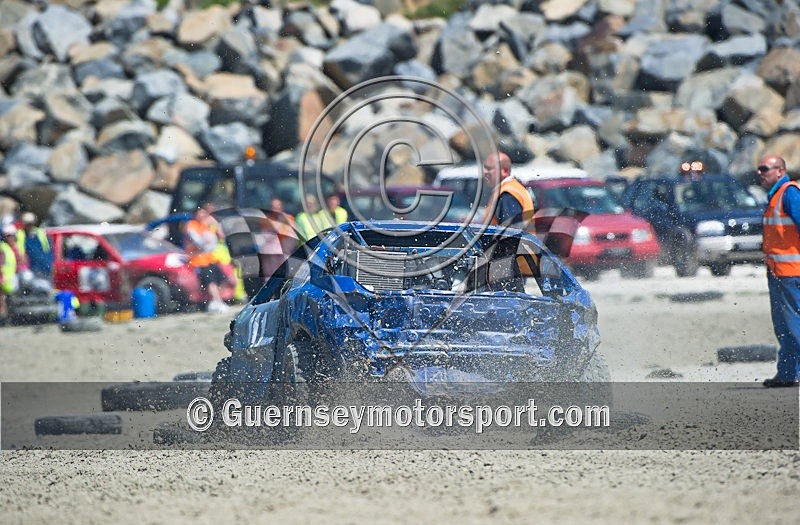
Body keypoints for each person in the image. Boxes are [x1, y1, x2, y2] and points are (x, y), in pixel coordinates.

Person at [758, 154, 800, 387]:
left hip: (791, 273)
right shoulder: (775, 197)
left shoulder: (789, 194)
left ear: (780, 171)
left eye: (765, 168)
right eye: (759, 168)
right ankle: (787, 374)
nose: (760, 173)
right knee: (784, 327)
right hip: (778, 273)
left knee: (794, 325)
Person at [184, 204, 229, 313]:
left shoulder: (205, 226)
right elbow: (201, 244)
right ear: (196, 214)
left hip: (209, 259)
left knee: (222, 279)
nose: (204, 215)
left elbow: (220, 239)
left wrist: (215, 225)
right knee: (211, 280)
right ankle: (217, 301)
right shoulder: (191, 225)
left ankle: (214, 301)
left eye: (205, 213)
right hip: (197, 261)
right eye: (201, 213)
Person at [482, 152, 535, 231]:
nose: (485, 172)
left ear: (505, 171)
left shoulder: (507, 194)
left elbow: (511, 233)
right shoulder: (513, 188)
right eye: (485, 168)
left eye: (489, 169)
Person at [17, 212, 51, 278]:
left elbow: (48, 250)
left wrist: (48, 264)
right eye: (27, 224)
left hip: (44, 268)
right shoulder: (20, 234)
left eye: (30, 224)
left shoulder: (40, 233)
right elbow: (19, 252)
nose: (29, 226)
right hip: (29, 269)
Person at [0, 224, 22, 326]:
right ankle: (3, 320)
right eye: (8, 236)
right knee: (2, 301)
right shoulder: (3, 248)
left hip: (11, 280)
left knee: (10, 301)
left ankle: (10, 320)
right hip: (4, 281)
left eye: (12, 235)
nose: (11, 238)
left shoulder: (15, 248)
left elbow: (20, 263)